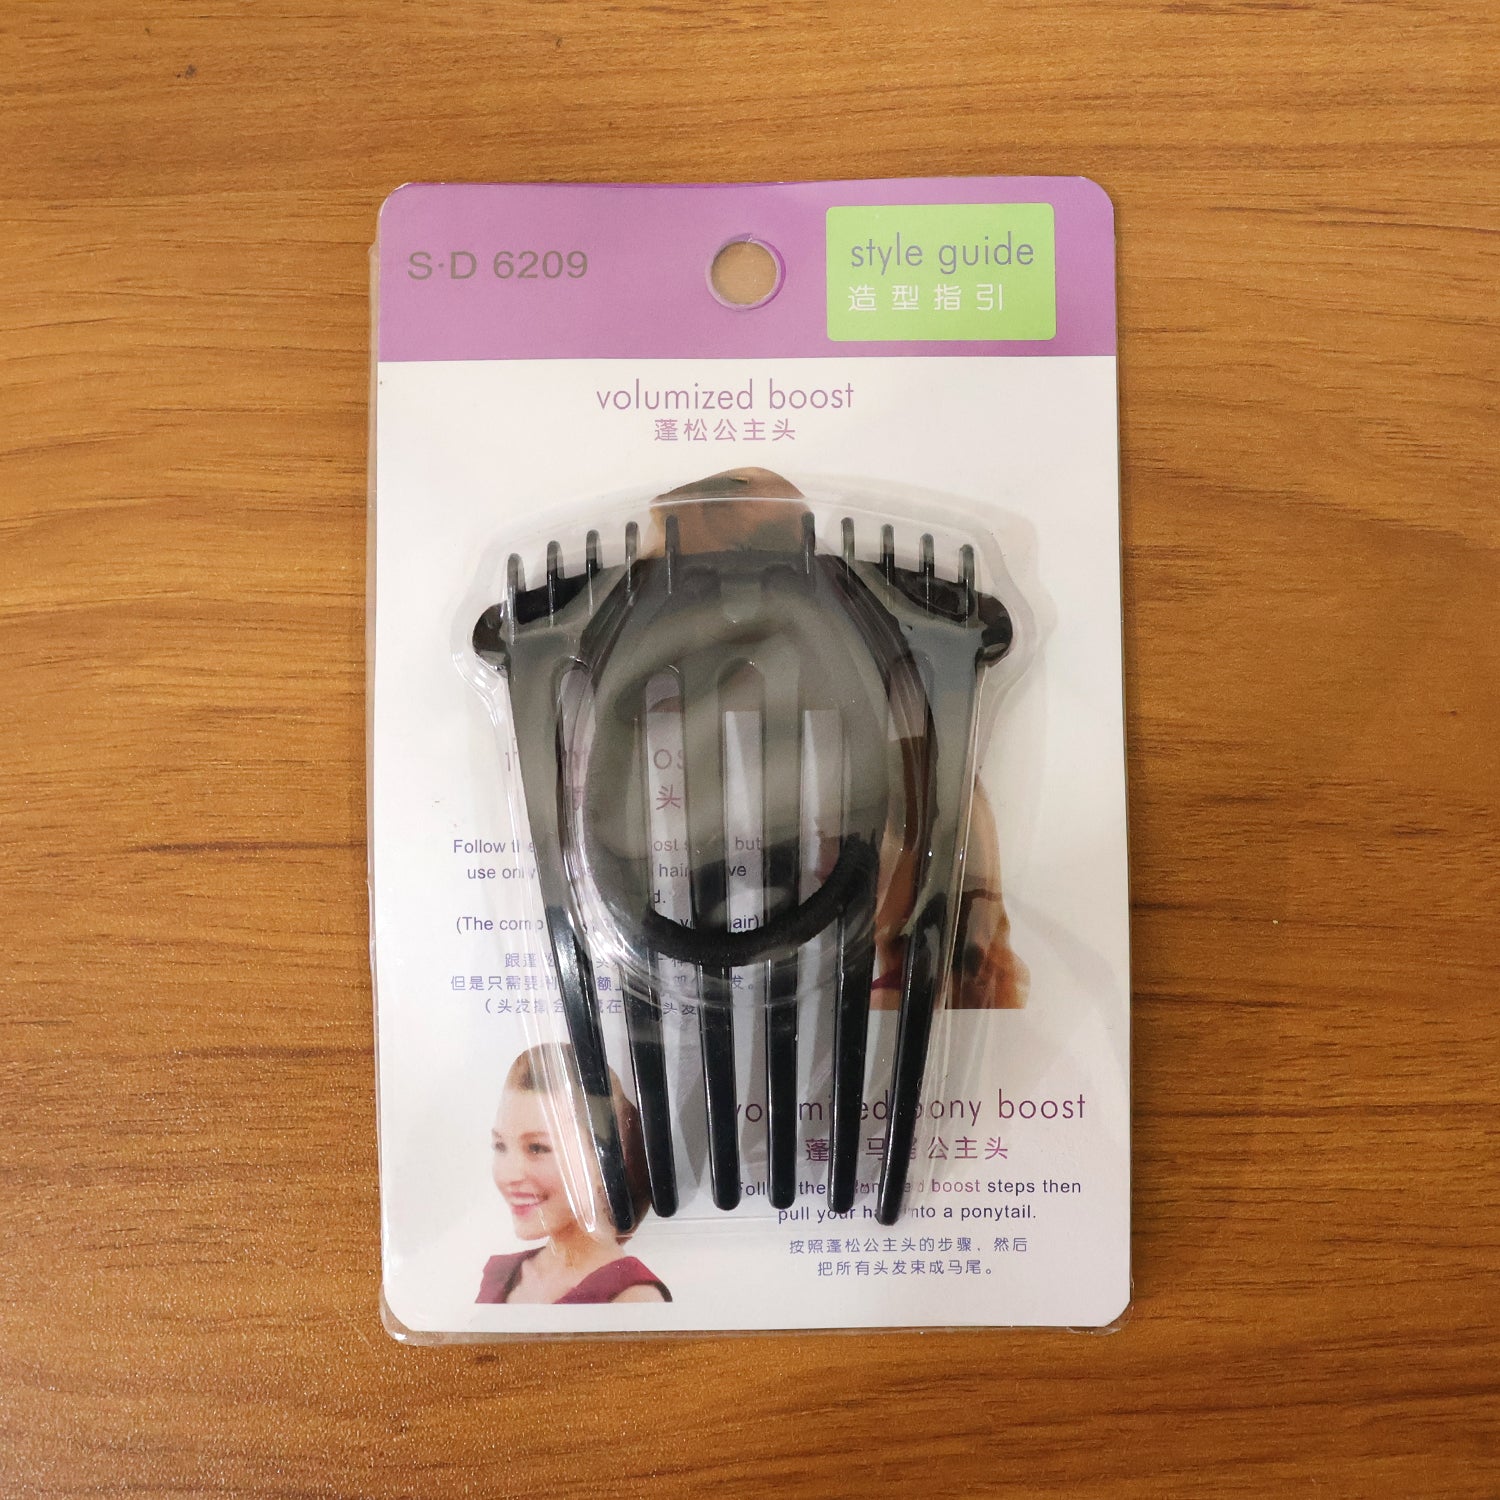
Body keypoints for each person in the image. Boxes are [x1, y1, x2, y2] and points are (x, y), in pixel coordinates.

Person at [476, 1044, 671, 1305]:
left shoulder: (632, 1296)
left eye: (537, 1148)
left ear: (605, 1161)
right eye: (500, 1146)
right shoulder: (501, 1275)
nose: (510, 1174)